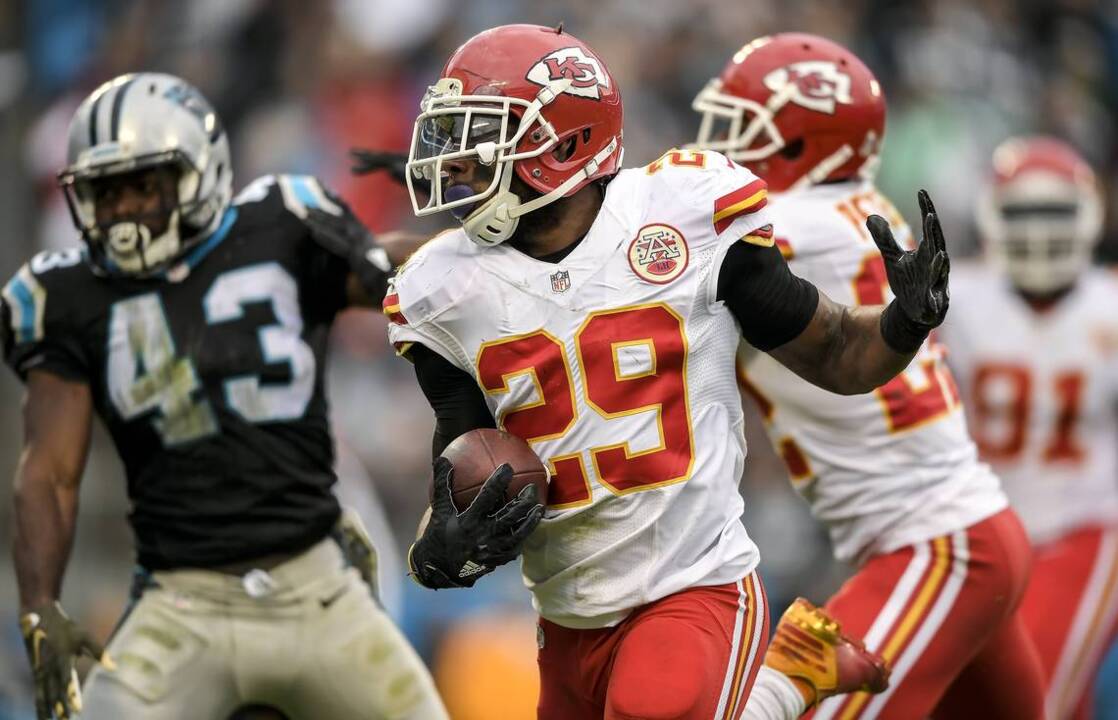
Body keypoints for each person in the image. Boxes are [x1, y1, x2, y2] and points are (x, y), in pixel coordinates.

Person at [384, 24, 951, 719]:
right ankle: (797, 672)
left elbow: (834, 351)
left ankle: (782, 684)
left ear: (564, 143)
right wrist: (438, 553)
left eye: (484, 135)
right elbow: (463, 465)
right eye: (453, 137)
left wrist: (904, 321)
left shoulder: (685, 214)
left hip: (694, 585)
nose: (458, 162)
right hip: (566, 616)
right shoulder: (441, 289)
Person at [2, 72, 448, 720]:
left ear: (199, 171)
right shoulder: (69, 297)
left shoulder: (279, 225)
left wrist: (485, 254)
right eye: (105, 192)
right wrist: (40, 604)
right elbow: (49, 472)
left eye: (141, 186)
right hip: (180, 605)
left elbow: (399, 274)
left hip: (317, 588)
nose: (123, 211)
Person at [688, 33, 1046, 720]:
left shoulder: (775, 226)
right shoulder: (855, 209)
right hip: (968, 533)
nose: (724, 148)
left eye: (743, 127)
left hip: (936, 548)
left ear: (798, 142)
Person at [941, 136, 1118, 720]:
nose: (1039, 230)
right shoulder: (956, 299)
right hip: (980, 535)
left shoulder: (1108, 305)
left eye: (1053, 213)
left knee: (1039, 694)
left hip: (1085, 527)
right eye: (1023, 213)